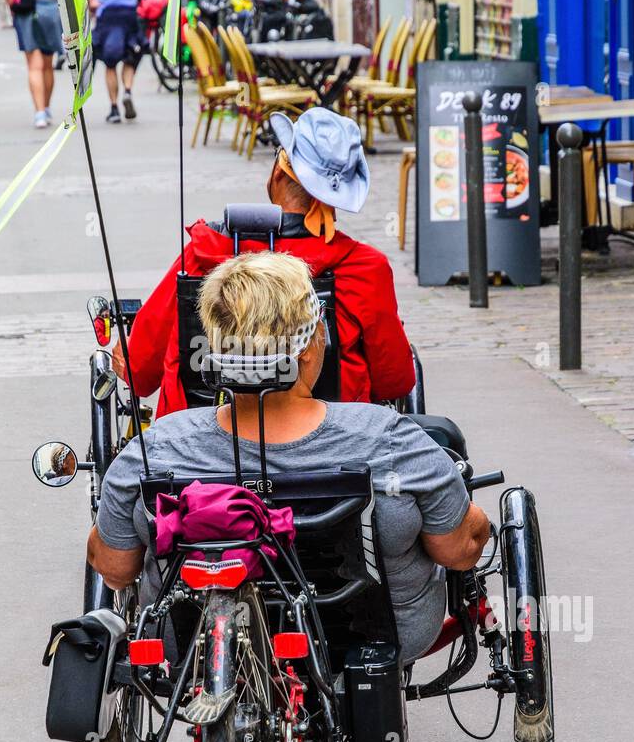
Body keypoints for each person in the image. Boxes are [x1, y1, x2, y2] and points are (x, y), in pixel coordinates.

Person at [88, 252, 489, 663]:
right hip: (381, 638)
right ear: (311, 347)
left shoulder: (155, 451)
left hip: (192, 646)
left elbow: (114, 568)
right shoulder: (390, 439)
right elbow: (459, 550)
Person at [118, 107, 416, 415]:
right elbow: (395, 381)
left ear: (278, 171)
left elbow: (138, 373)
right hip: (338, 446)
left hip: (200, 441)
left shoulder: (205, 253)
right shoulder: (364, 268)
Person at [83, 0, 155, 124]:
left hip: (107, 15)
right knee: (131, 55)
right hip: (128, 14)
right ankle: (128, 91)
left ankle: (114, 108)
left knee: (110, 62)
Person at [6, 0, 61, 129]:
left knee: (34, 66)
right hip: (51, 12)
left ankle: (38, 112)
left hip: (28, 12)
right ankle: (46, 107)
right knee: (48, 65)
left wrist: (12, 6)